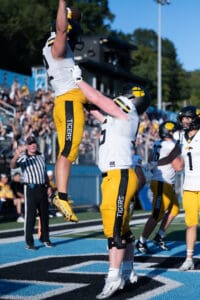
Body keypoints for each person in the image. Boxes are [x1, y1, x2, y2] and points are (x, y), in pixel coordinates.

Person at [42, 0, 128, 223]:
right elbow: (61, 29)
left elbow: (66, 27)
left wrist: (72, 13)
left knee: (68, 151)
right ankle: (61, 196)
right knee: (69, 151)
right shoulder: (57, 44)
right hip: (69, 101)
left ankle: (61, 195)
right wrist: (62, 4)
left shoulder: (59, 47)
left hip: (69, 102)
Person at [72, 66, 151, 298]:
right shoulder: (119, 117)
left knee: (114, 230)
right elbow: (95, 107)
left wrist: (77, 79)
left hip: (119, 174)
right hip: (114, 175)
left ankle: (113, 277)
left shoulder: (128, 113)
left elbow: (97, 98)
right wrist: (77, 93)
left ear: (131, 98)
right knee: (123, 228)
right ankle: (127, 271)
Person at [136, 121, 184, 254]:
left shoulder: (158, 143)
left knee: (174, 209)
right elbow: (178, 167)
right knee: (157, 214)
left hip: (161, 180)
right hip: (163, 182)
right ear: (169, 132)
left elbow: (152, 159)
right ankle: (141, 241)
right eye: (174, 131)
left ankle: (159, 236)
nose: (176, 133)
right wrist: (182, 154)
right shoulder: (171, 145)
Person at [10, 135, 52, 250]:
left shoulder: (41, 156)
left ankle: (45, 238)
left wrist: (48, 186)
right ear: (27, 146)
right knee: (31, 217)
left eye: (34, 143)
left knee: (44, 216)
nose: (33, 145)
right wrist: (16, 156)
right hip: (31, 189)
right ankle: (29, 242)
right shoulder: (24, 157)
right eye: (30, 144)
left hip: (42, 188)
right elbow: (12, 166)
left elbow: (43, 172)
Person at [177, 106, 200, 271]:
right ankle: (189, 258)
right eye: (183, 118)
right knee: (190, 224)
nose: (185, 121)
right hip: (189, 186)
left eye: (188, 118)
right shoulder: (180, 137)